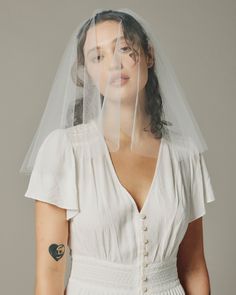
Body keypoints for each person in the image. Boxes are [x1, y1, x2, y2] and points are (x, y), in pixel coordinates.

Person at [20, 8, 216, 295]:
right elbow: (50, 272)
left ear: (149, 55)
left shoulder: (185, 155)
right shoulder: (64, 151)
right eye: (98, 57)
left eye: (124, 49)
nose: (113, 64)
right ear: (86, 72)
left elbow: (193, 267)